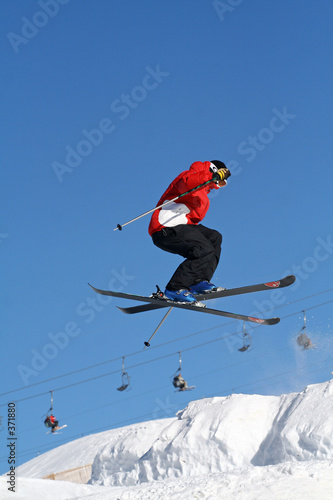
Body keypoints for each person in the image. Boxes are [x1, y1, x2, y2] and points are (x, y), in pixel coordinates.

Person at [148, 160, 231, 303]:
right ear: (214, 169)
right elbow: (187, 182)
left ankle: (198, 281)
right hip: (165, 226)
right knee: (203, 248)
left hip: (181, 226)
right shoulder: (192, 175)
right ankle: (175, 288)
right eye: (220, 178)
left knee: (214, 238)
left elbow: (195, 218)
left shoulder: (204, 194)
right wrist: (210, 176)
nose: (220, 184)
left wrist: (213, 180)